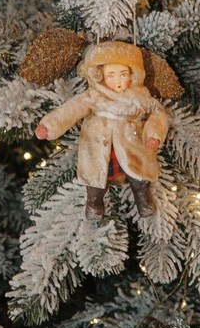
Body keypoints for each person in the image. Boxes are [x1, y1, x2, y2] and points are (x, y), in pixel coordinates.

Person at [35, 41, 169, 219]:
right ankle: (93, 202)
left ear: (133, 75)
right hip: (98, 142)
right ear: (100, 75)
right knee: (97, 173)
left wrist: (154, 135)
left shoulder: (141, 97)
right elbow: (72, 109)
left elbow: (159, 114)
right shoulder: (94, 96)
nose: (118, 81)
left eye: (123, 75)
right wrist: (49, 126)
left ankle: (142, 198)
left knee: (139, 174)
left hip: (132, 141)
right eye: (111, 75)